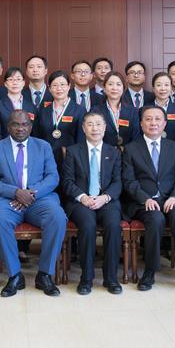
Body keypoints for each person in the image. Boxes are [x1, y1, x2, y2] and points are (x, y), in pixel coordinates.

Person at [122, 106, 175, 294]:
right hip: (143, 202)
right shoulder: (131, 149)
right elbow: (129, 180)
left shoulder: (174, 147)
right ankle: (150, 271)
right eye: (149, 119)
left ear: (164, 123)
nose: (153, 123)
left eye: (157, 119)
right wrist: (144, 198)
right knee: (156, 218)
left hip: (171, 199)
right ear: (141, 123)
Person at [0, 110, 67, 297]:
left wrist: (31, 193)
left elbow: (53, 177)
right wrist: (16, 193)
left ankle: (45, 274)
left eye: (24, 125)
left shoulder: (43, 146)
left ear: (30, 127)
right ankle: (14, 275)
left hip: (39, 199)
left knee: (58, 217)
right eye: (15, 124)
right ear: (8, 127)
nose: (20, 128)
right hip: (6, 200)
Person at [61, 112, 124, 295]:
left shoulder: (114, 152)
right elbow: (67, 182)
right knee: (87, 225)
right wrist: (83, 197)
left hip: (107, 200)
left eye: (98, 124)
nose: (94, 128)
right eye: (90, 124)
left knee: (113, 225)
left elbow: (118, 182)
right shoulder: (73, 151)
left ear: (105, 128)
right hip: (81, 201)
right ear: (83, 128)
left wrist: (105, 198)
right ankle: (86, 278)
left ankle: (111, 278)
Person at [33, 70, 85, 166]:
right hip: (46, 159)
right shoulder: (43, 110)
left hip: (70, 159)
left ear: (69, 86)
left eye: (62, 84)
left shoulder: (79, 110)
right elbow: (37, 136)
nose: (59, 88)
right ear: (49, 88)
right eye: (55, 85)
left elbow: (81, 139)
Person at [0, 67, 36, 143]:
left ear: (23, 83)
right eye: (11, 79)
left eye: (18, 79)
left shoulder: (31, 107)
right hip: (5, 148)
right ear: (5, 84)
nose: (15, 82)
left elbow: (34, 132)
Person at [93, 72, 141, 149]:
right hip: (104, 154)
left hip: (128, 155)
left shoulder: (132, 111)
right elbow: (94, 136)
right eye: (110, 84)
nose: (114, 88)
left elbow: (136, 137)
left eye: (118, 84)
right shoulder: (96, 110)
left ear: (123, 88)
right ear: (104, 88)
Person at [149, 72, 175, 144]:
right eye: (159, 85)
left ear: (171, 88)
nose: (163, 88)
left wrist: (173, 149)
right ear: (153, 89)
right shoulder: (145, 109)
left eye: (166, 85)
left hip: (174, 150)